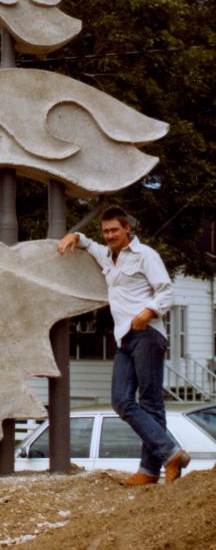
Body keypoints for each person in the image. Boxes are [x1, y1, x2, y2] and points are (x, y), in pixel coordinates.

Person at [57, 206, 190, 484]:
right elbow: (88, 244)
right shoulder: (106, 255)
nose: (109, 235)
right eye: (105, 231)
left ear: (127, 228)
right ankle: (170, 454)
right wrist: (74, 237)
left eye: (114, 230)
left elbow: (166, 291)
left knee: (150, 403)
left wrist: (147, 312)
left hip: (148, 334)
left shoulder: (146, 255)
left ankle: (150, 470)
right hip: (124, 338)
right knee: (121, 401)